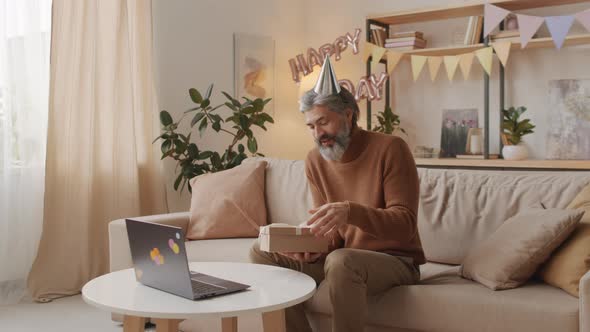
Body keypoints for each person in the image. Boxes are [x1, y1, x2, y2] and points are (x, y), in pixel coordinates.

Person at [249, 56, 425, 332]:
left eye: (323, 123)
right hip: (343, 260)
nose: (318, 134)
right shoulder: (315, 160)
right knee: (262, 249)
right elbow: (332, 236)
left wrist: (350, 211)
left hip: (396, 261)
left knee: (342, 261)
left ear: (348, 115)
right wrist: (309, 248)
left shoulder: (391, 149)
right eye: (311, 126)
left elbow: (405, 225)